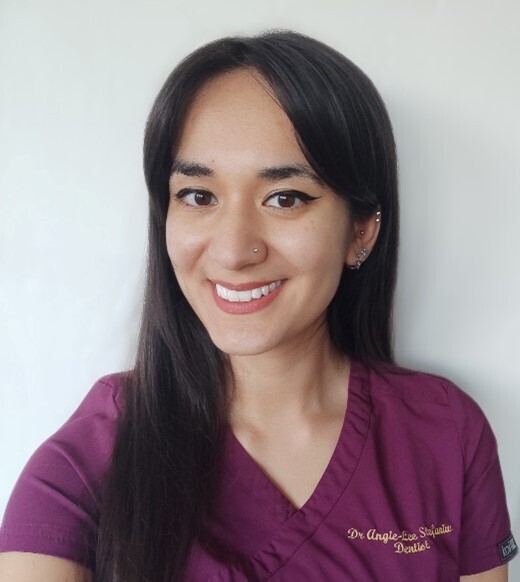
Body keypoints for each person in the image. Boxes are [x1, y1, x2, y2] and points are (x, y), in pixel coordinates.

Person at [0, 31, 516, 582]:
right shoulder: (86, 464)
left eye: (284, 198)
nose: (232, 250)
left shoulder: (444, 433)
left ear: (360, 231)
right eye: (199, 196)